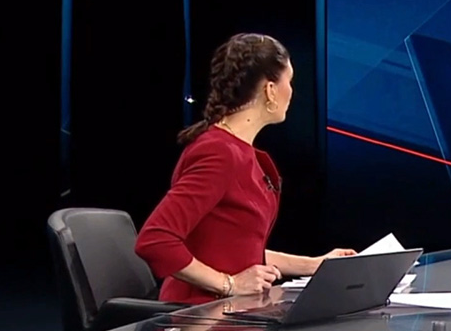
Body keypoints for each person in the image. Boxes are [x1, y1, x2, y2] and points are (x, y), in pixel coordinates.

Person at [135, 33, 355, 305]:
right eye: (289, 81)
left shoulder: (241, 153)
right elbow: (155, 240)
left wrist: (315, 264)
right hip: (199, 315)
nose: (292, 92)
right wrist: (229, 284)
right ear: (270, 90)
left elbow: (238, 250)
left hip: (230, 311)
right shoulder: (219, 153)